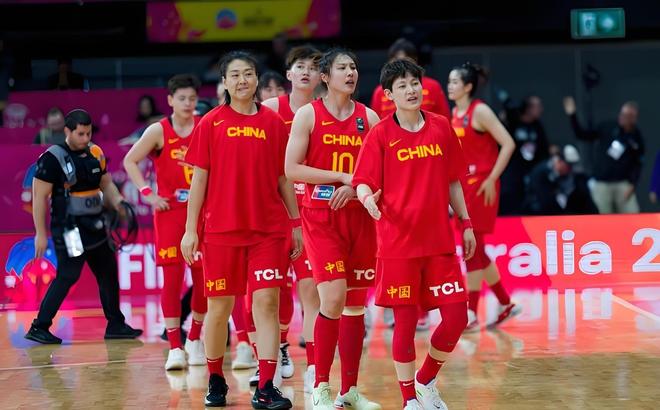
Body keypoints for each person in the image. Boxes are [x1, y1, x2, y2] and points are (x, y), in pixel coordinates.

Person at [181, 51, 301, 409]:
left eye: (248, 74)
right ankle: (215, 379)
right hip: (221, 232)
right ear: (224, 82)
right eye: (235, 75)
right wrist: (190, 230)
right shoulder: (210, 123)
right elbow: (198, 181)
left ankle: (265, 386)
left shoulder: (273, 123)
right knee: (219, 308)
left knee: (266, 303)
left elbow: (283, 178)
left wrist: (295, 223)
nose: (242, 80)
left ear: (256, 80)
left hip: (268, 231)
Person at [354, 57, 475, 410]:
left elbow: (453, 180)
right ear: (389, 95)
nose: (411, 90)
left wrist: (466, 222)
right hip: (398, 245)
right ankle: (409, 399)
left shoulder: (440, 127)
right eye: (402, 86)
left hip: (439, 243)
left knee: (457, 317)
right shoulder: (380, 134)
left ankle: (425, 380)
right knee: (405, 325)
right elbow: (363, 181)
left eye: (414, 83)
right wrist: (367, 199)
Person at [285, 48, 381, 410]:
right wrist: (342, 177)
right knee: (333, 298)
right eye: (342, 67)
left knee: (356, 306)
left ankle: (349, 390)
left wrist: (356, 189)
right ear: (325, 77)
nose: (350, 72)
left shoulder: (369, 117)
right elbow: (292, 169)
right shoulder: (308, 115)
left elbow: (381, 172)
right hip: (321, 217)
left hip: (359, 216)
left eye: (353, 66)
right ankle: (320, 386)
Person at [24, 109, 142, 344]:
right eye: (80, 134)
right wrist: (40, 234)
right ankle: (40, 326)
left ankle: (116, 325)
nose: (86, 138)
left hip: (95, 225)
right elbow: (39, 198)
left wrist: (119, 203)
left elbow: (106, 184)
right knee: (69, 274)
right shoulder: (52, 158)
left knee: (108, 270)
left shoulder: (95, 152)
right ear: (67, 131)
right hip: (69, 230)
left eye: (88, 133)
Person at [123, 74, 207, 370]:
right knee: (172, 280)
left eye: (192, 98)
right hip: (170, 213)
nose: (188, 103)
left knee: (203, 280)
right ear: (170, 100)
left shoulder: (204, 126)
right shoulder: (159, 130)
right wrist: (148, 194)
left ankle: (194, 338)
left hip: (200, 213)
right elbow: (130, 160)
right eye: (182, 98)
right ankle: (174, 347)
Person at [262, 44, 321, 391]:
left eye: (313, 67)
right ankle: (277, 352)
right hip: (272, 212)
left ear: (321, 76)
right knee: (272, 293)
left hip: (310, 213)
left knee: (311, 290)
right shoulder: (270, 109)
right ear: (289, 74)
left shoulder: (325, 112)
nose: (306, 72)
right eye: (300, 66)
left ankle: (314, 368)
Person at [447, 62, 519, 332]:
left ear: (468, 87)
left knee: (472, 248)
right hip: (464, 187)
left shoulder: (480, 111)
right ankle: (505, 302)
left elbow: (508, 143)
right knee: (476, 249)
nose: (449, 86)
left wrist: (491, 178)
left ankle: (472, 312)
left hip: (481, 186)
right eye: (449, 81)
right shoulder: (454, 113)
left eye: (455, 82)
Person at [563, 97, 645, 214]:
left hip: (622, 183)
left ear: (634, 118)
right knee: (602, 216)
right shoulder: (608, 127)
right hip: (602, 183)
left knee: (632, 215)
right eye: (622, 114)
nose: (623, 117)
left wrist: (633, 184)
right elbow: (582, 134)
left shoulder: (636, 136)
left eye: (628, 115)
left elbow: (639, 163)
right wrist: (572, 115)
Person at [370, 38, 450, 120]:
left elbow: (445, 117)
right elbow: (375, 121)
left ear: (415, 60)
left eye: (415, 84)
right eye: (402, 86)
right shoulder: (379, 92)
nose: (402, 66)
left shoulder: (433, 86)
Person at [500, 95, 551, 215]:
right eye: (537, 106)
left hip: (531, 170)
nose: (541, 109)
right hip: (512, 169)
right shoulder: (514, 123)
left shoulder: (537, 126)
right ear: (528, 108)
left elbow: (544, 148)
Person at [523, 144, 597, 215]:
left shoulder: (571, 175)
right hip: (539, 211)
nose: (569, 169)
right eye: (568, 165)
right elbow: (544, 199)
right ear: (559, 161)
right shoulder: (541, 173)